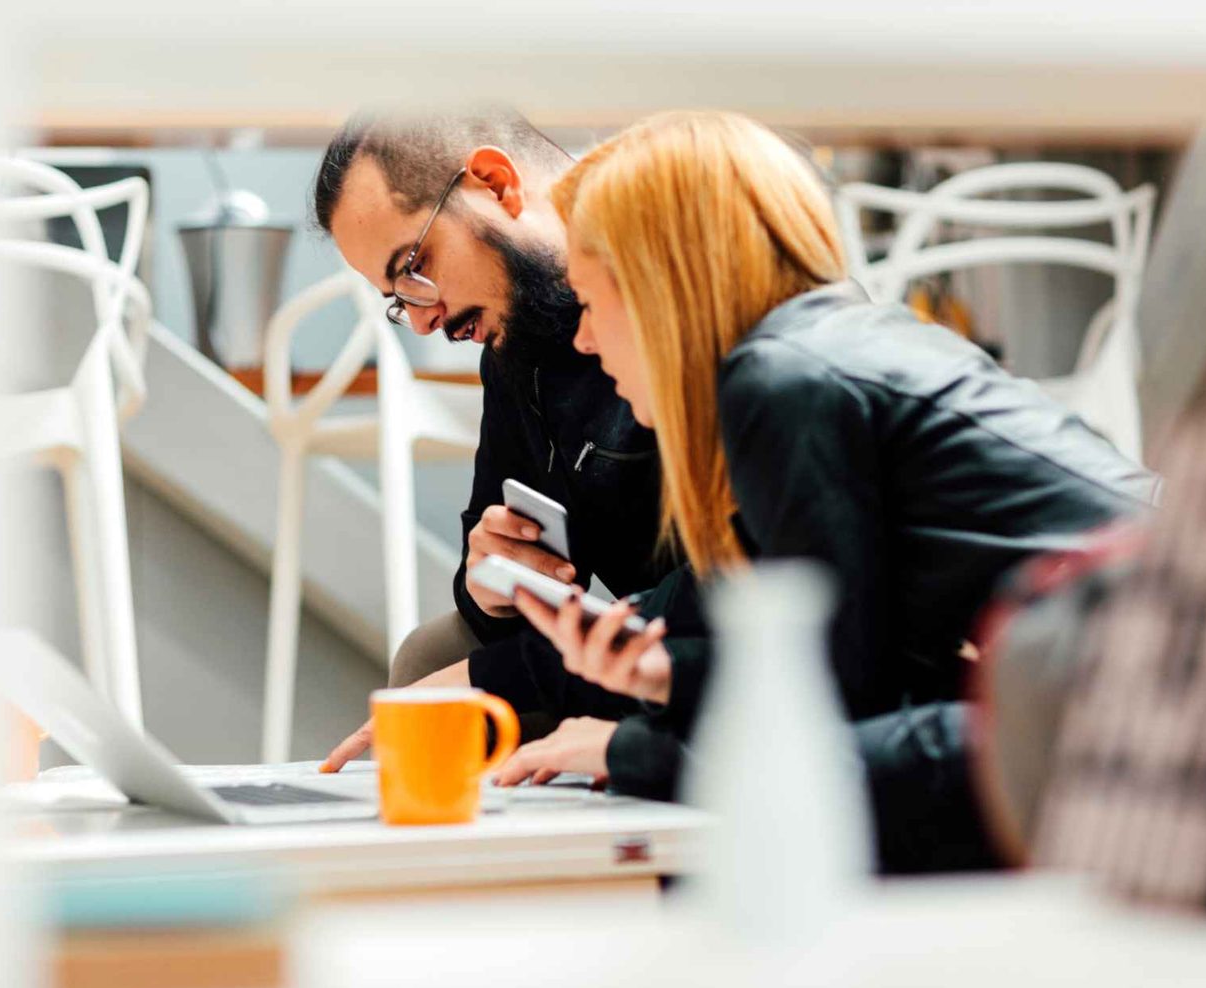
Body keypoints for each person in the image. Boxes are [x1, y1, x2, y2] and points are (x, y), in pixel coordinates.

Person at [488, 111, 1158, 870]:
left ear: (658, 284)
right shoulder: (826, 345)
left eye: (587, 299)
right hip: (1119, 676)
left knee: (753, 802)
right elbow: (861, 654)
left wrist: (631, 748)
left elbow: (844, 698)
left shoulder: (780, 379)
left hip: (1127, 702)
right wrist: (658, 673)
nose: (581, 339)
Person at [307, 109, 675, 769]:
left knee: (446, 676)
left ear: (496, 185)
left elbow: (732, 589)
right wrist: (490, 586)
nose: (421, 324)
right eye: (398, 298)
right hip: (637, 640)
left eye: (415, 266)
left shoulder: (685, 299)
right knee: (432, 653)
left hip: (709, 638)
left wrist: (495, 679)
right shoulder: (518, 342)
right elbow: (486, 566)